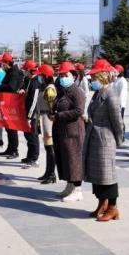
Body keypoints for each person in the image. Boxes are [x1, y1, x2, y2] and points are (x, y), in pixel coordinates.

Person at [83, 66, 124, 221]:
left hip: (105, 140)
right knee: (97, 174)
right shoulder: (98, 93)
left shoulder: (111, 96)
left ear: (102, 77)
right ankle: (102, 203)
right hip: (94, 138)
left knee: (108, 176)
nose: (92, 81)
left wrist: (118, 140)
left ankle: (113, 207)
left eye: (93, 78)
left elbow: (118, 122)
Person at [51, 61, 86, 202]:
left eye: (66, 75)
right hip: (63, 130)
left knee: (74, 160)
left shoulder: (77, 92)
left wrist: (58, 115)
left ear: (74, 76)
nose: (62, 78)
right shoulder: (63, 91)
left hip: (73, 131)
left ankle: (77, 189)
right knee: (66, 159)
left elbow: (79, 111)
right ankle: (70, 186)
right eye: (61, 75)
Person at [0, 53, 24, 159]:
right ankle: (10, 148)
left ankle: (14, 150)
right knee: (8, 128)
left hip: (11, 103)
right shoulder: (10, 71)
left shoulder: (14, 73)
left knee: (12, 128)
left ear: (7, 62)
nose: (2, 65)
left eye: (3, 63)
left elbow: (12, 87)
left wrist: (1, 86)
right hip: (7, 102)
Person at [36, 64, 57, 184]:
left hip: (48, 120)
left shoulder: (50, 89)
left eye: (41, 75)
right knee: (47, 147)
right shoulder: (46, 87)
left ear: (45, 76)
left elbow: (52, 107)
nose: (40, 78)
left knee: (50, 148)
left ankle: (52, 174)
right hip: (44, 118)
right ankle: (47, 172)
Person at [19, 60, 40, 167]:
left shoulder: (36, 82)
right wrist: (22, 89)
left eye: (25, 70)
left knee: (33, 136)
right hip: (26, 111)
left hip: (33, 114)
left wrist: (29, 117)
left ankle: (34, 158)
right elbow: (23, 86)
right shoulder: (28, 79)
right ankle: (29, 156)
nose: (24, 72)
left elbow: (34, 101)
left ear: (29, 70)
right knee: (27, 135)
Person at [112, 64, 128, 140]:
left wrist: (119, 104)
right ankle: (117, 135)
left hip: (120, 104)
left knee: (120, 120)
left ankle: (122, 135)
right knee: (116, 120)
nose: (114, 72)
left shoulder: (122, 81)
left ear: (120, 71)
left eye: (116, 71)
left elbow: (122, 94)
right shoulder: (115, 80)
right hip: (114, 103)